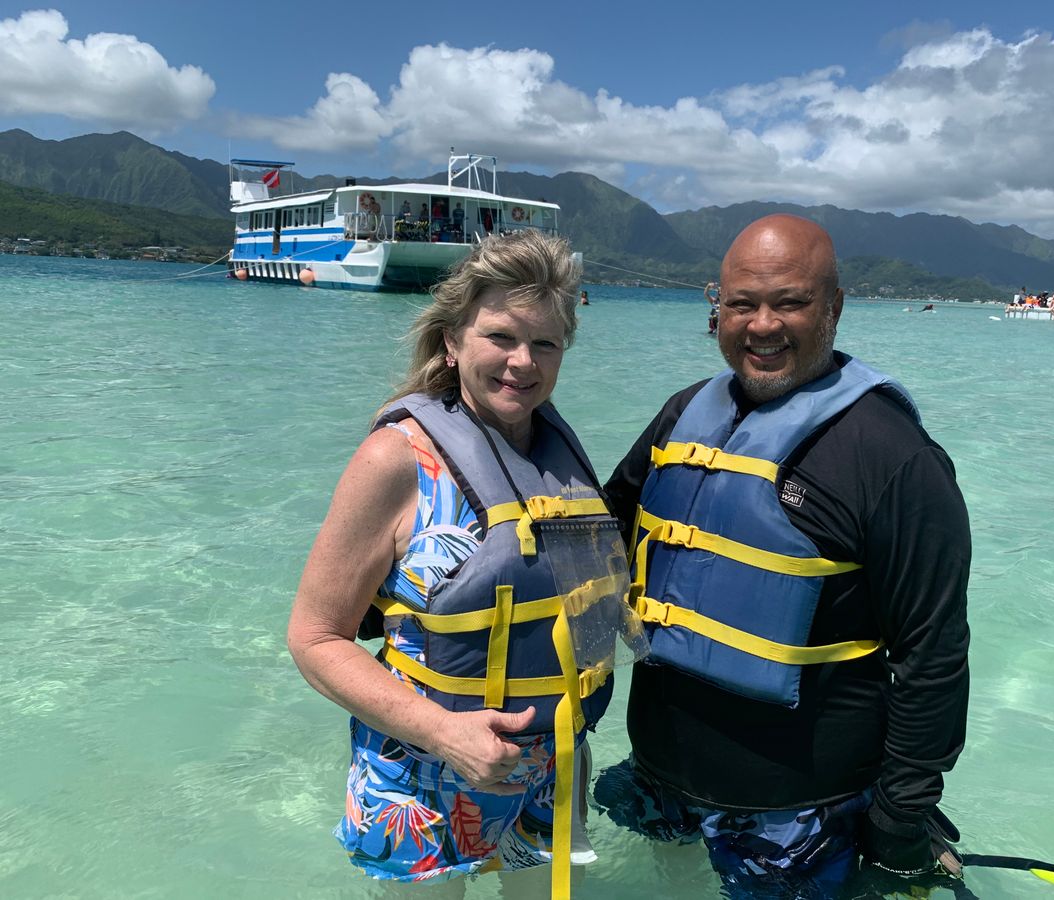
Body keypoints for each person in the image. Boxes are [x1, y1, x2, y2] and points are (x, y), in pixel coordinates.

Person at [596, 214, 971, 898]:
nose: (762, 325)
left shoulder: (893, 457)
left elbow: (933, 656)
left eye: (790, 302)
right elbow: (600, 534)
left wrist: (898, 823)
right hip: (661, 772)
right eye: (742, 303)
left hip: (800, 810)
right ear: (717, 307)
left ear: (834, 307)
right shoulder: (684, 412)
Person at [288, 231, 638, 893]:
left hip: (549, 768)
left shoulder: (555, 451)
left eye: (545, 344)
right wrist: (444, 732)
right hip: (422, 774)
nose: (522, 363)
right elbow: (313, 639)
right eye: (500, 336)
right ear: (452, 341)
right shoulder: (395, 460)